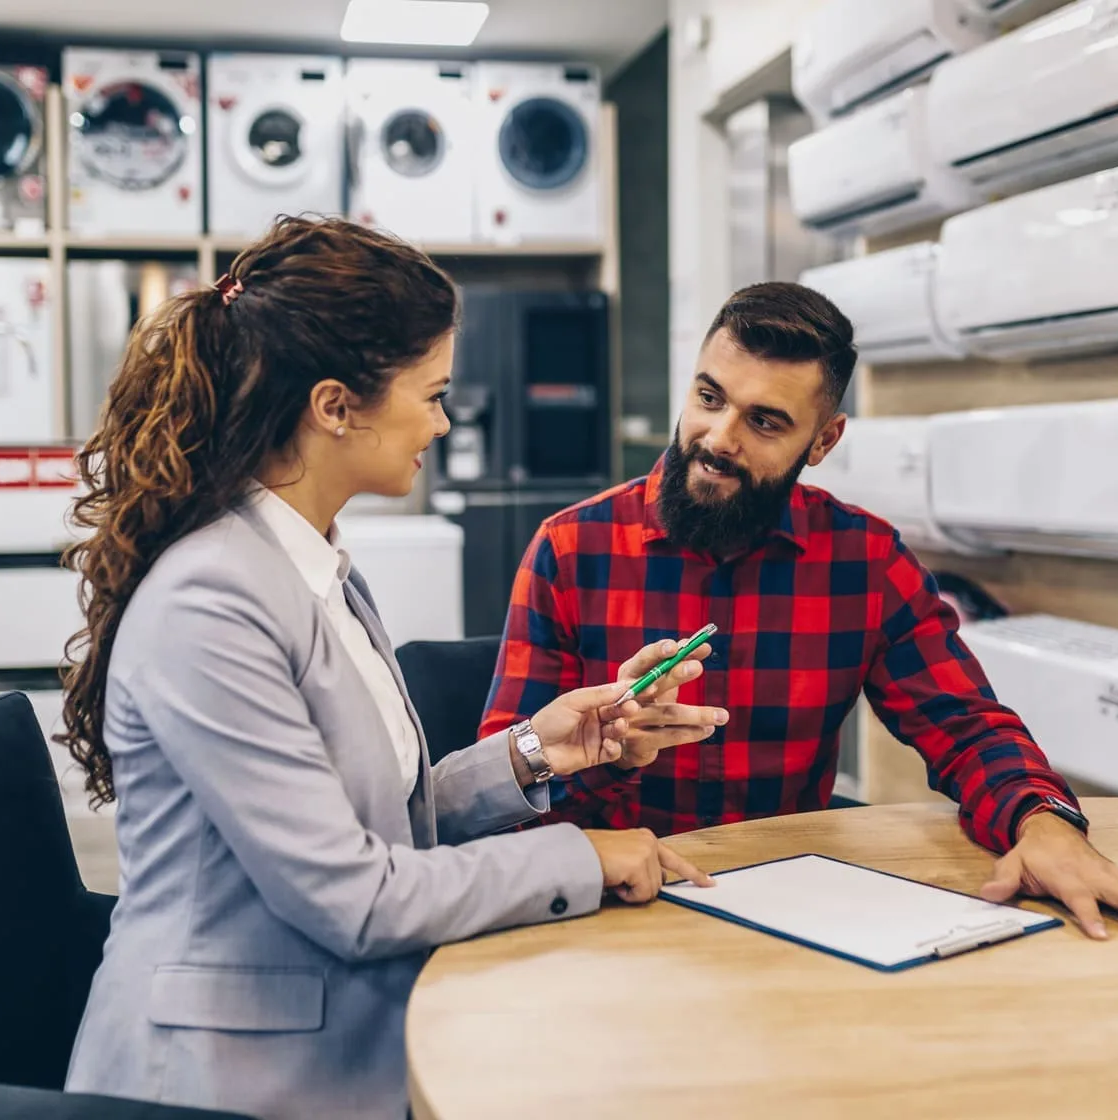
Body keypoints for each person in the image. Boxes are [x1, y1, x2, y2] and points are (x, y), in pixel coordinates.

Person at [54, 217, 723, 1120]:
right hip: (218, 1081)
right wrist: (586, 857)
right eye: (433, 393)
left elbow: (370, 827)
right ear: (335, 406)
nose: (444, 422)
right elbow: (355, 897)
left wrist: (536, 754)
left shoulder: (312, 565)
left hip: (335, 1040)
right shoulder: (211, 601)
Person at [480, 282, 1118, 944]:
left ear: (822, 442)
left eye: (764, 421)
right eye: (708, 396)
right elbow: (501, 791)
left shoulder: (864, 560)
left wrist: (1045, 823)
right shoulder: (570, 549)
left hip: (789, 911)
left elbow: (966, 727)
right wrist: (610, 755)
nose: (719, 437)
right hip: (606, 910)